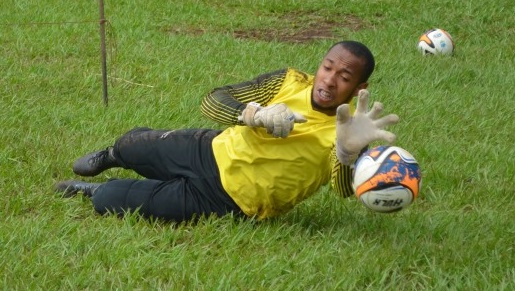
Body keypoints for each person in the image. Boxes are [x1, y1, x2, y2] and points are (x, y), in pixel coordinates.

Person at [55, 40, 399, 222]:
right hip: (210, 150)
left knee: (112, 201)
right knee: (132, 144)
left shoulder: (353, 129)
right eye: (328, 67)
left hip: (232, 200)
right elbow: (212, 100)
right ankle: (113, 156)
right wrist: (255, 115)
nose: (330, 80)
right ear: (319, 64)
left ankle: (92, 190)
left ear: (358, 86)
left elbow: (342, 189)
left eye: (344, 76)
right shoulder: (288, 81)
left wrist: (347, 152)